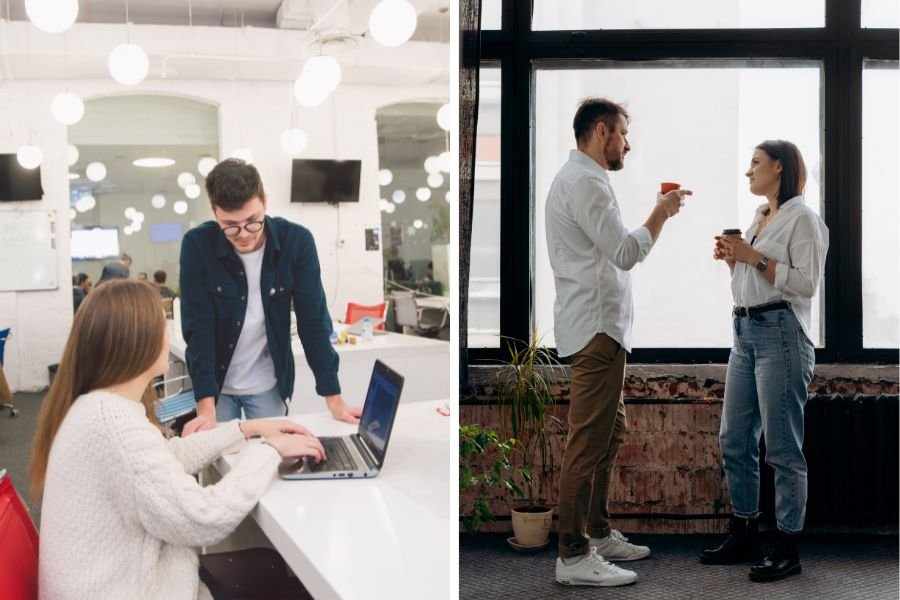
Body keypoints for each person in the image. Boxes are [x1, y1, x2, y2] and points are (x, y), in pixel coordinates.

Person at [29, 279, 326, 599]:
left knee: (270, 567)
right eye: (162, 327)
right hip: (137, 589)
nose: (168, 336)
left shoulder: (97, 408)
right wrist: (270, 451)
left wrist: (244, 429)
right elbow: (205, 518)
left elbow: (165, 455)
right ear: (137, 342)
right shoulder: (114, 426)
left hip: (129, 582)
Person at [546, 98, 691, 587]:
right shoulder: (586, 182)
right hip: (596, 330)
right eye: (624, 134)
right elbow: (626, 252)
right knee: (587, 443)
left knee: (610, 434)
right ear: (602, 131)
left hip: (601, 330)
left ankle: (597, 531)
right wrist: (662, 212)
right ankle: (571, 555)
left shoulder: (584, 181)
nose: (628, 143)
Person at [701, 140, 828, 582]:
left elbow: (806, 284)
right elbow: (752, 283)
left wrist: (752, 256)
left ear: (779, 166)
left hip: (781, 334)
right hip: (744, 331)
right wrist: (733, 260)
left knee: (782, 448)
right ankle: (744, 532)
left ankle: (787, 546)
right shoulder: (760, 217)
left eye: (755, 163)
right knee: (734, 439)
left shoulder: (804, 219)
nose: (748, 171)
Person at [179, 158, 361, 434]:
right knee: (221, 463)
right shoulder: (197, 245)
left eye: (253, 221)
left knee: (272, 462)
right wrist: (206, 407)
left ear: (265, 201)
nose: (243, 234)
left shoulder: (296, 242)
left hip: (268, 384)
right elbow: (198, 328)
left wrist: (333, 398)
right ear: (214, 212)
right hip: (216, 387)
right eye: (230, 225)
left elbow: (312, 321)